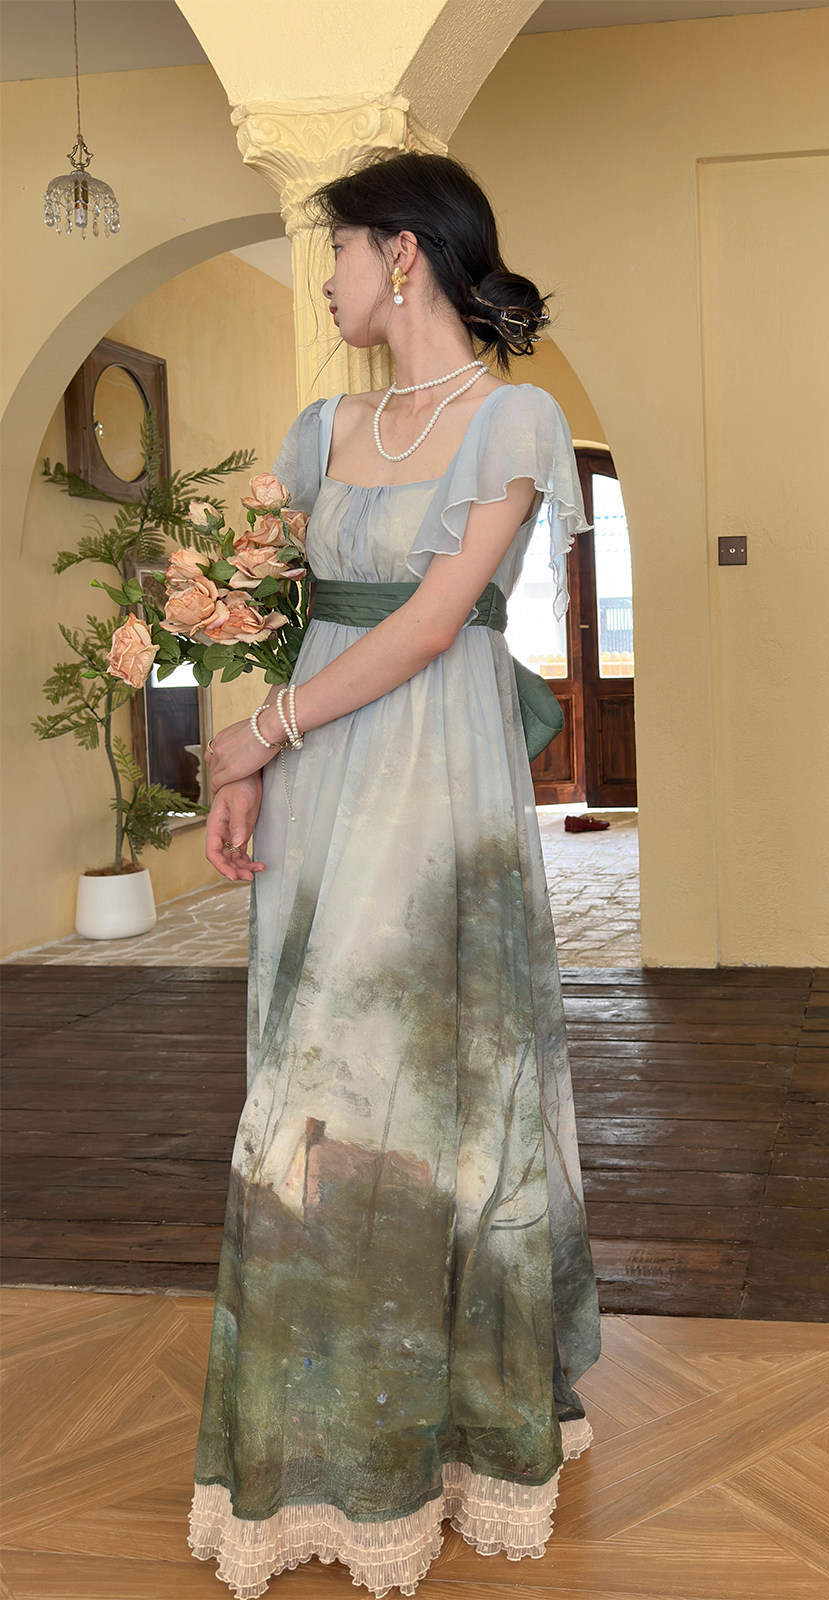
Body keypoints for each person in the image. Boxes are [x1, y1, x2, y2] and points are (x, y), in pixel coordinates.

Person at [187, 149, 602, 1600]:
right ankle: (315, 1430)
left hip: (435, 784)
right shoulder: (322, 428)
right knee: (305, 1085)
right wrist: (255, 765)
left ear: (404, 254)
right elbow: (279, 612)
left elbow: (430, 625)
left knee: (425, 1085)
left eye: (342, 251)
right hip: (317, 777)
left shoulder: (514, 419)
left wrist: (253, 736)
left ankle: (455, 1430)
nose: (329, 281)